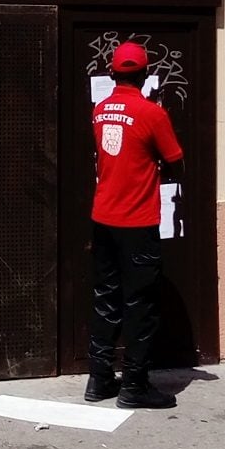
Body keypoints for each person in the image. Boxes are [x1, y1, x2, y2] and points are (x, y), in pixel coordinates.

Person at [84, 41, 183, 409]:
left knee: (105, 298)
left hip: (103, 217)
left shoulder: (100, 110)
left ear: (113, 74)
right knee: (140, 304)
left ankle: (99, 379)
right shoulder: (152, 113)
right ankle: (134, 387)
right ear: (144, 75)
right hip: (137, 222)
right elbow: (175, 159)